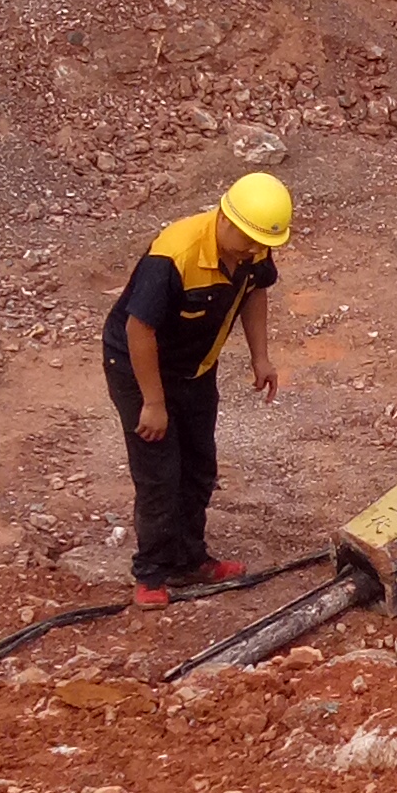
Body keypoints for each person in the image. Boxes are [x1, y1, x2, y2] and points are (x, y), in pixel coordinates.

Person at [102, 172, 289, 602]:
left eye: (259, 244)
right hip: (138, 365)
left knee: (199, 466)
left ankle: (190, 560)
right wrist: (152, 403)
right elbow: (139, 329)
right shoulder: (174, 255)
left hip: (196, 367)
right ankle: (151, 573)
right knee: (159, 472)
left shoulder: (253, 249)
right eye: (245, 239)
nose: (251, 251)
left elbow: (256, 292)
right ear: (224, 217)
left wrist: (260, 356)